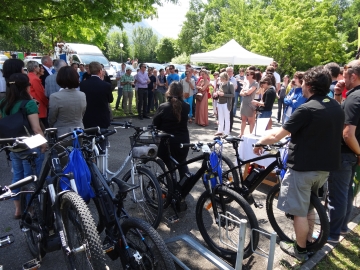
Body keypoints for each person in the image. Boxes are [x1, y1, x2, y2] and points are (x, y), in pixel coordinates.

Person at [253, 66, 344, 261]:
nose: (301, 86)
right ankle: (309, 240)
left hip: (303, 167)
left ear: (309, 85)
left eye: (303, 83)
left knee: (299, 212)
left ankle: (300, 249)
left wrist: (259, 142)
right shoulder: (335, 105)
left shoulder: (307, 109)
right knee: (309, 206)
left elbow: (278, 135)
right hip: (324, 168)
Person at [0, 73, 46, 218]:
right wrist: (44, 143)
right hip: (30, 144)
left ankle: (18, 209)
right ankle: (31, 209)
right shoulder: (29, 104)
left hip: (13, 144)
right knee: (30, 178)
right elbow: (36, 129)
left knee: (17, 177)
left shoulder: (3, 103)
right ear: (25, 86)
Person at [327, 60, 360, 244]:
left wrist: (358, 153)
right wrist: (338, 94)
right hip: (351, 154)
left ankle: (333, 233)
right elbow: (340, 115)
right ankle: (343, 227)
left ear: (353, 76)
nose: (342, 78)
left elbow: (347, 133)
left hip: (345, 154)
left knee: (337, 195)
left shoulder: (355, 97)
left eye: (345, 75)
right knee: (346, 192)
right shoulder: (353, 95)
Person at [153, 81, 190, 190]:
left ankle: (172, 189)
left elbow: (155, 124)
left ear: (169, 91)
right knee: (182, 162)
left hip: (167, 142)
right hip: (183, 140)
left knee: (170, 167)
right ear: (181, 92)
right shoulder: (186, 106)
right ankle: (183, 187)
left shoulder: (163, 107)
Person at [80, 61, 113, 153]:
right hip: (102, 117)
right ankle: (101, 161)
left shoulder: (83, 84)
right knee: (102, 142)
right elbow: (110, 100)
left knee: (88, 141)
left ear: (89, 71)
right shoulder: (105, 85)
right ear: (100, 71)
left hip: (87, 117)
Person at [48, 66, 86, 136]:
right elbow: (82, 113)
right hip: (79, 131)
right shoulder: (82, 95)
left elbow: (52, 118)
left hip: (61, 133)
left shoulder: (55, 97)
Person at [27, 60, 49, 128]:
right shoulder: (35, 79)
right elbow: (40, 93)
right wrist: (47, 103)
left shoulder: (28, 76)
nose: (39, 68)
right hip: (39, 105)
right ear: (35, 68)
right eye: (38, 67)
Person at [239, 69, 258, 137]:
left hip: (250, 104)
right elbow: (241, 93)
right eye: (246, 74)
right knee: (243, 119)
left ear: (252, 75)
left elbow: (248, 92)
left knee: (251, 121)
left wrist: (245, 92)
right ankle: (241, 133)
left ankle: (251, 135)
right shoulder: (246, 83)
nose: (246, 76)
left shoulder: (255, 83)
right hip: (244, 102)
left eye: (248, 74)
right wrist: (245, 92)